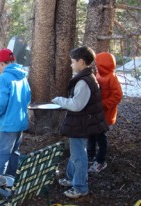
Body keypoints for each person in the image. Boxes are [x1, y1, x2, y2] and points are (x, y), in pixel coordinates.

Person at [51, 46, 109, 198]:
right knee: (76, 153)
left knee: (79, 156)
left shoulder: (84, 81)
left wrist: (59, 101)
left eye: (72, 62)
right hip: (83, 123)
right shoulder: (89, 77)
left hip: (80, 124)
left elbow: (77, 105)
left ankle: (80, 187)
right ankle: (71, 178)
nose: (71, 65)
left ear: (81, 62)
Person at [0, 48, 31, 176]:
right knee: (14, 151)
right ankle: (11, 179)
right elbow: (28, 98)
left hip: (9, 123)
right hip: (21, 121)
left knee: (0, 154)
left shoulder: (3, 78)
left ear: (2, 63)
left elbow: (2, 103)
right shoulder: (22, 75)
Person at [88, 52, 123, 173]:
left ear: (105, 64)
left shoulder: (112, 77)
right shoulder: (99, 74)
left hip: (105, 115)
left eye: (98, 63)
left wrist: (103, 104)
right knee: (91, 135)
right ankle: (90, 156)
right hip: (96, 113)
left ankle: (100, 161)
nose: (96, 65)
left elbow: (118, 96)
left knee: (100, 138)